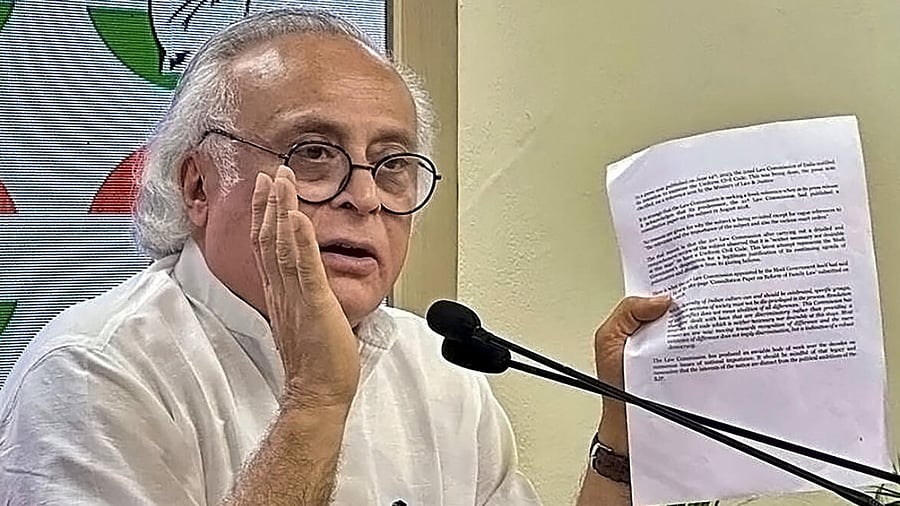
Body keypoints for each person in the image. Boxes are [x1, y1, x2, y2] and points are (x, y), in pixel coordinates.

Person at [0, 8, 670, 505]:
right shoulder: (91, 371)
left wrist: (621, 437)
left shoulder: (435, 363)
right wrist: (316, 399)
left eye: (393, 163)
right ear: (199, 186)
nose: (365, 197)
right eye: (314, 153)